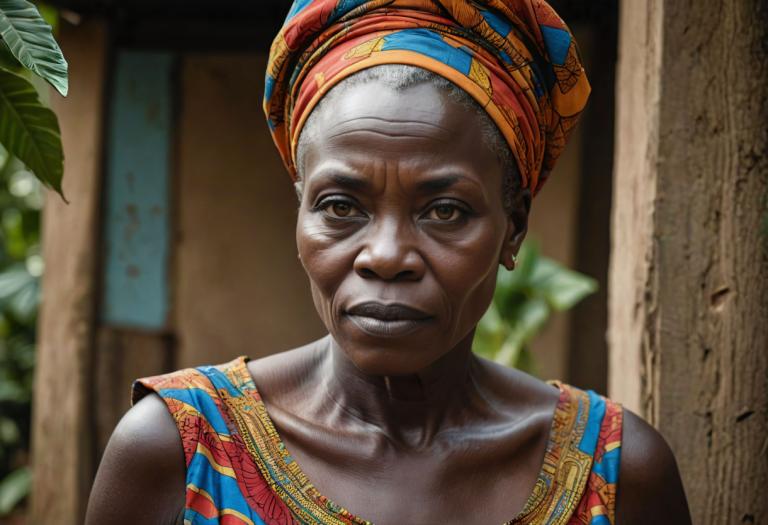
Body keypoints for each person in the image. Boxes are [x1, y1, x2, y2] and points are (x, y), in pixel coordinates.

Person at [86, 1, 692, 524]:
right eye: (341, 206)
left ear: (515, 228)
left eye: (446, 211)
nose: (385, 256)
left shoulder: (616, 477)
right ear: (300, 214)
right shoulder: (179, 453)